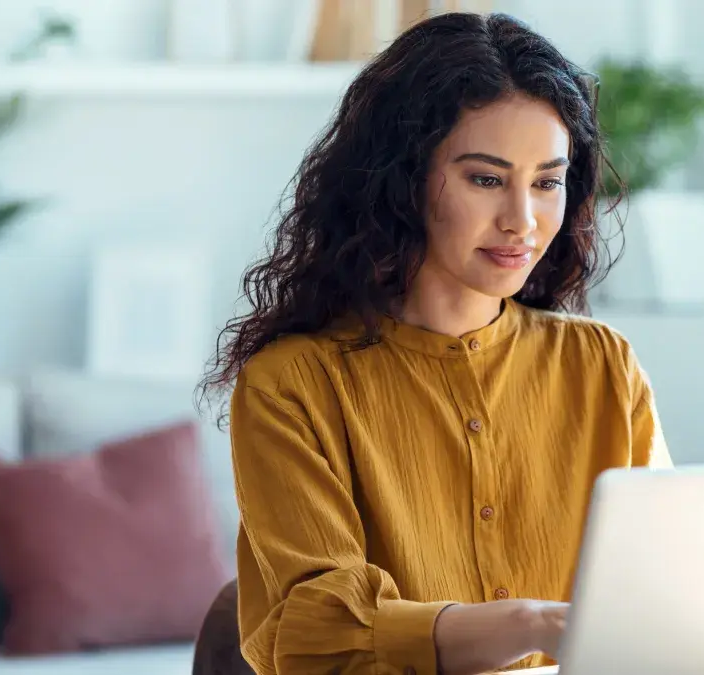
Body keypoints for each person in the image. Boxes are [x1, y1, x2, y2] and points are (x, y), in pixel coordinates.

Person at [198, 11, 671, 675]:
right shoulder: (292, 384)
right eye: (486, 179)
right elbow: (315, 633)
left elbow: (667, 581)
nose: (522, 221)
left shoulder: (602, 364)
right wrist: (530, 625)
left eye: (546, 182)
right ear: (402, 179)